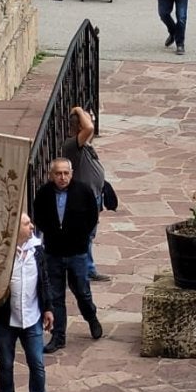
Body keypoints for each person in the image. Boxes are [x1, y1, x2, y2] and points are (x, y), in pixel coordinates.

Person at [31, 158, 101, 353]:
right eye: (58, 173)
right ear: (51, 175)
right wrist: (53, 233)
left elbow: (92, 217)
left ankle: (91, 317)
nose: (62, 177)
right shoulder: (44, 193)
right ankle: (58, 336)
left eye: (65, 173)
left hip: (77, 252)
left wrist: (81, 237)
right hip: (53, 252)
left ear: (71, 174)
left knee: (82, 290)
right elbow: (39, 217)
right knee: (55, 296)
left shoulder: (83, 191)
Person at [0, 213, 51, 392]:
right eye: (26, 224)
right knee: (6, 365)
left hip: (32, 317)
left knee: (37, 364)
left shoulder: (37, 250)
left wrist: (48, 308)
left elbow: (44, 281)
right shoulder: (1, 253)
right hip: (5, 320)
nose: (31, 226)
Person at [60, 106, 110, 283]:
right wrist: (79, 110)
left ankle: (85, 268)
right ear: (80, 127)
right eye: (89, 120)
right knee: (84, 235)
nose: (92, 123)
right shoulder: (72, 145)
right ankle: (84, 269)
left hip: (93, 197)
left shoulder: (84, 146)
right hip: (84, 200)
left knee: (88, 234)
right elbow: (89, 128)